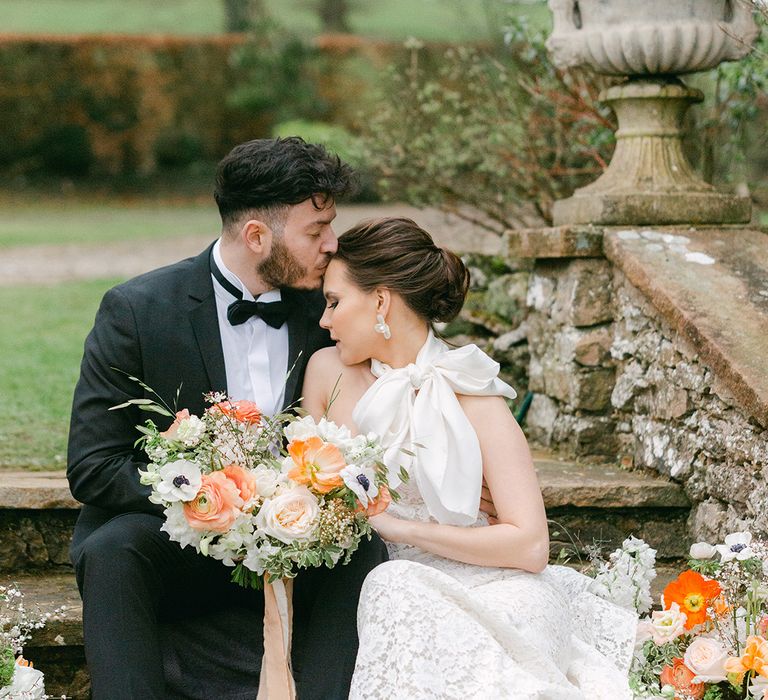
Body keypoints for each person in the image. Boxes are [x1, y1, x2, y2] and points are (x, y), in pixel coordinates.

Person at [66, 137, 388, 700]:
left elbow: (409, 367)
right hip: (184, 541)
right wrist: (202, 494)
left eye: (330, 226)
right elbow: (93, 466)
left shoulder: (328, 311)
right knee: (112, 550)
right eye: (316, 232)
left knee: (364, 549)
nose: (332, 246)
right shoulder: (138, 310)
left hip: (301, 539)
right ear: (256, 235)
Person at [301, 217, 638, 699]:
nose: (324, 320)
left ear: (379, 301)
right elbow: (307, 489)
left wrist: (401, 528)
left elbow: (529, 546)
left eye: (334, 302)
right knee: (393, 587)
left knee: (395, 585)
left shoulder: (473, 392)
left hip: (500, 591)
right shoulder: (326, 373)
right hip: (391, 590)